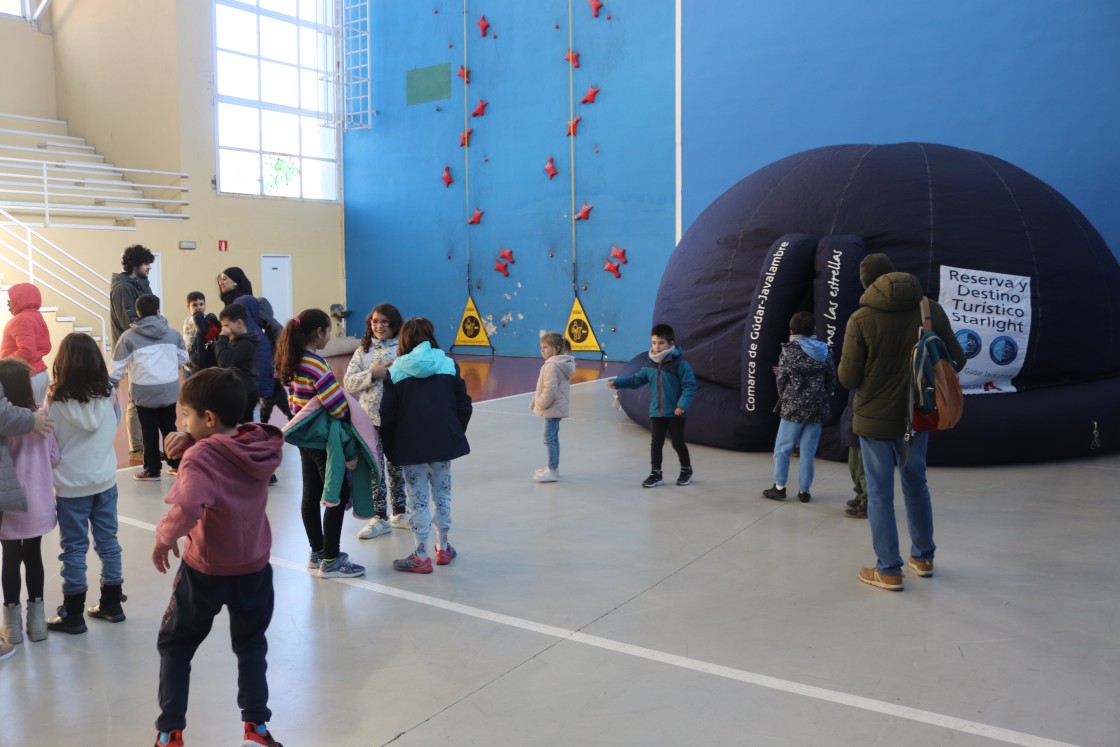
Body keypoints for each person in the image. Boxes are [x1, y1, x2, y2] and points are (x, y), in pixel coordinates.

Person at [151, 368, 285, 747]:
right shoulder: (257, 445)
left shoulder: (201, 456)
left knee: (175, 644)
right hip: (254, 566)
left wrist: (164, 537)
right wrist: (186, 447)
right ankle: (256, 728)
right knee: (251, 644)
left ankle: (169, 731)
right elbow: (215, 461)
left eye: (186, 416)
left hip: (205, 571)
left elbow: (191, 501)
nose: (181, 423)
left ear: (208, 418)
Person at [838, 253, 966, 591]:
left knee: (879, 494)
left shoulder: (861, 319)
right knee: (916, 483)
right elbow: (958, 359)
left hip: (873, 421)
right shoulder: (929, 310)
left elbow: (848, 378)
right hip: (918, 416)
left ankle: (889, 570)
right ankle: (923, 558)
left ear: (867, 284)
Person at [275, 308, 365, 579]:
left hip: (305, 438)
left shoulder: (291, 360)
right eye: (330, 331)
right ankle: (331, 558)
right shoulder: (315, 364)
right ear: (319, 332)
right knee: (335, 493)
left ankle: (317, 552)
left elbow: (296, 403)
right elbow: (336, 405)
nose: (331, 336)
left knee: (311, 493)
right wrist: (351, 417)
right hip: (324, 440)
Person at [379, 317, 472, 573]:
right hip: (443, 442)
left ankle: (420, 554)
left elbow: (387, 413)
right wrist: (453, 433)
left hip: (410, 447)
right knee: (443, 495)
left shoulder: (396, 369)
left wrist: (390, 445)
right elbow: (464, 404)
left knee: (417, 499)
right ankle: (443, 547)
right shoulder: (448, 363)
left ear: (405, 339)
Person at [45, 333, 122, 634]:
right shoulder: (110, 394)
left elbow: (51, 446)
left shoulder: (55, 400)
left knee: (74, 548)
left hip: (70, 486)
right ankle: (112, 604)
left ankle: (73, 613)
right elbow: (112, 426)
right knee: (109, 543)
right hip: (104, 480)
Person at [0, 359, 58, 648]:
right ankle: (37, 622)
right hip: (38, 503)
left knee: (9, 558)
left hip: (8, 504)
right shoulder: (41, 416)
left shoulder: (5, 425)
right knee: (33, 556)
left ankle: (10, 626)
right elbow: (54, 457)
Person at [344, 303, 409, 539]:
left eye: (384, 322)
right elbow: (348, 383)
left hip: (396, 419)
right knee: (375, 468)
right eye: (374, 321)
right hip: (369, 420)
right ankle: (379, 516)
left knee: (396, 467)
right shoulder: (364, 351)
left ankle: (399, 513)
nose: (379, 326)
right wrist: (373, 374)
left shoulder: (403, 349)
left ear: (394, 324)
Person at [110, 294, 188, 482]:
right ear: (157, 310)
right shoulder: (173, 333)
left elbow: (117, 366)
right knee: (169, 427)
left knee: (149, 430)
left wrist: (111, 384)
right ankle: (176, 465)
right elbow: (184, 358)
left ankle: (152, 469)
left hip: (144, 391)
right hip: (169, 389)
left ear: (137, 312)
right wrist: (170, 366)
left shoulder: (128, 337)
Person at [607, 323, 696, 488]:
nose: (656, 347)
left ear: (670, 343)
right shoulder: (650, 364)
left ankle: (686, 470)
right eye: (654, 343)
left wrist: (682, 404)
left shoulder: (680, 364)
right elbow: (636, 380)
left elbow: (689, 385)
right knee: (656, 443)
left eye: (661, 343)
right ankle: (656, 473)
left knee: (677, 442)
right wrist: (618, 382)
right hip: (656, 411)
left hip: (676, 412)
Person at [762, 311, 836, 503]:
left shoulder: (788, 351)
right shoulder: (825, 351)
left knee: (783, 449)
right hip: (816, 409)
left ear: (791, 330)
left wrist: (787, 398)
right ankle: (804, 491)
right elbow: (831, 381)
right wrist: (820, 398)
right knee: (808, 452)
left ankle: (779, 487)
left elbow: (781, 380)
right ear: (814, 329)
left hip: (792, 409)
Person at [110, 244, 155, 461]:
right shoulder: (122, 288)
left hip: (146, 347)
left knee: (146, 396)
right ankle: (137, 446)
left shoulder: (142, 285)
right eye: (147, 263)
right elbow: (129, 321)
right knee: (135, 399)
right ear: (136, 264)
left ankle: (149, 444)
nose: (149, 268)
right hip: (132, 349)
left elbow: (151, 315)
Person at [529, 332, 575, 483]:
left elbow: (550, 391)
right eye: (541, 347)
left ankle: (552, 469)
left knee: (549, 438)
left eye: (545, 347)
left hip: (552, 408)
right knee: (553, 437)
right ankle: (552, 467)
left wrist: (540, 403)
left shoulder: (551, 366)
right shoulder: (560, 363)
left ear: (555, 349)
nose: (542, 350)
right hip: (556, 408)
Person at [1, 283, 53, 405]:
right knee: (38, 415)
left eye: (11, 300)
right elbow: (46, 347)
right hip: (39, 374)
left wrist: (4, 364)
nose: (8, 303)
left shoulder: (20, 319)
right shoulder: (36, 316)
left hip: (25, 377)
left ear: (21, 299)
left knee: (26, 418)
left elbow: (27, 351)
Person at [214, 303, 260, 424]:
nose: (224, 330)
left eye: (226, 326)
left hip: (245, 392)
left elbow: (224, 362)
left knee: (242, 427)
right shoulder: (240, 341)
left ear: (239, 323)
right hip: (243, 390)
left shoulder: (245, 344)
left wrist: (222, 337)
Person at [256, 297, 292, 425]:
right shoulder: (269, 328)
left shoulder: (276, 330)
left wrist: (277, 370)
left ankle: (263, 422)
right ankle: (291, 416)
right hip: (273, 372)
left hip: (275, 372)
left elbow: (281, 353)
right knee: (278, 395)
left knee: (269, 397)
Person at [182, 291, 219, 379]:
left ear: (205, 305)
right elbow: (186, 340)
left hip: (204, 363)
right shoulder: (187, 321)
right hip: (189, 363)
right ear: (188, 307)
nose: (198, 308)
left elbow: (209, 335)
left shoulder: (210, 318)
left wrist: (200, 319)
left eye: (201, 304)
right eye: (195, 305)